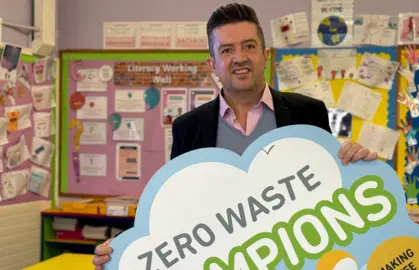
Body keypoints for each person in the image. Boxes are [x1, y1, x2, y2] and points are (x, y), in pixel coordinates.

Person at [92, 3, 378, 269]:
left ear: (265, 56)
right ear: (212, 64)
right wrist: (127, 249)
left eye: (249, 46)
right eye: (226, 50)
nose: (239, 58)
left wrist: (356, 166)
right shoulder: (188, 128)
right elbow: (176, 208)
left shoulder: (308, 113)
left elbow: (332, 191)